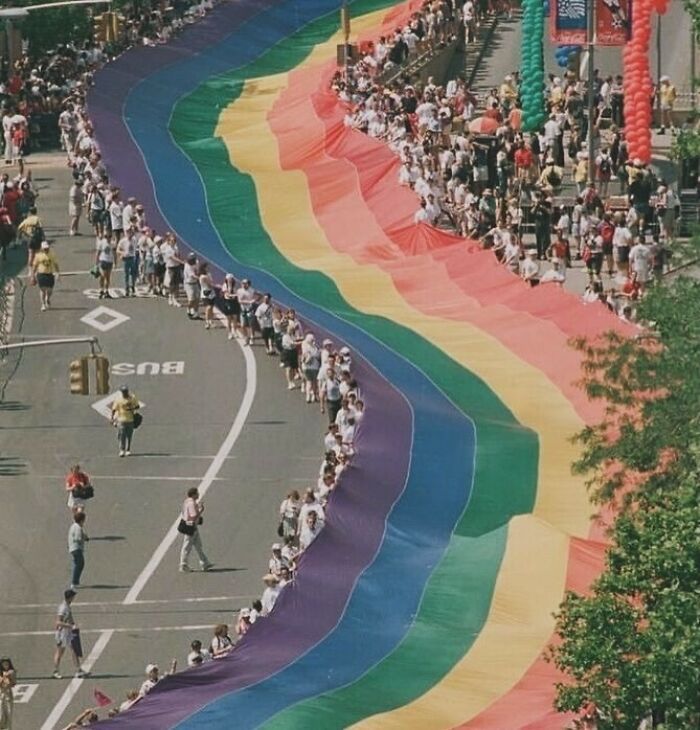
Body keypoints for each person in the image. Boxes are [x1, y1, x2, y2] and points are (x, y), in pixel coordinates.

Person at [53, 589, 88, 679]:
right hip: (62, 633)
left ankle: (78, 670)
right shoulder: (63, 608)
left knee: (74, 650)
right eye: (73, 597)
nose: (74, 598)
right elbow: (58, 622)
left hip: (68, 632)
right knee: (60, 652)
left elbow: (69, 618)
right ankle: (56, 671)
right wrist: (71, 626)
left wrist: (74, 625)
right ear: (70, 597)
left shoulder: (67, 606)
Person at [179, 487, 213, 572]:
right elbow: (193, 516)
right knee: (187, 546)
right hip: (191, 527)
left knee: (198, 545)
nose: (198, 495)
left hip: (191, 526)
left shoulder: (187, 501)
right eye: (197, 493)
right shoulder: (191, 503)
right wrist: (200, 510)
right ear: (194, 494)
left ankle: (205, 562)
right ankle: (183, 564)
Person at [110, 385, 140, 457]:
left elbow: (137, 406)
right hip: (121, 420)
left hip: (130, 419)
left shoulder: (132, 398)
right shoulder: (118, 399)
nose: (125, 393)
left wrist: (132, 407)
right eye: (123, 392)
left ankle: (128, 449)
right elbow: (114, 409)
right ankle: (122, 450)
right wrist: (112, 418)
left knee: (129, 436)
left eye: (126, 392)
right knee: (121, 435)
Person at [31, 241, 60, 312]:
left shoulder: (52, 254)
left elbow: (56, 264)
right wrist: (33, 276)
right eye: (44, 248)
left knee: (50, 290)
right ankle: (43, 304)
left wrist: (58, 273)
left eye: (47, 248)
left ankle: (48, 298)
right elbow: (34, 266)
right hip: (41, 274)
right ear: (42, 248)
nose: (46, 249)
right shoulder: (38, 255)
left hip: (50, 274)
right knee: (42, 290)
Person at [68, 511, 88, 590]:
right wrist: (83, 538)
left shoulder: (74, 526)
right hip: (76, 548)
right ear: (82, 520)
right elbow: (78, 538)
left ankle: (75, 581)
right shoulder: (78, 528)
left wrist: (85, 537)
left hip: (73, 548)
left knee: (78, 564)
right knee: (80, 564)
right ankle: (74, 582)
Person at [95, 234, 114, 299]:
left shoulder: (112, 243)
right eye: (106, 237)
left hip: (110, 261)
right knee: (103, 276)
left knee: (108, 277)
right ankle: (101, 289)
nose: (108, 238)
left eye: (109, 236)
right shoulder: (102, 242)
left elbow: (114, 253)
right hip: (103, 260)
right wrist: (96, 263)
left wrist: (115, 262)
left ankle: (106, 290)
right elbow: (98, 253)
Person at [0, 657, 16, 730]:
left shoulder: (11, 672)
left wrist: (11, 676)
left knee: (9, 713)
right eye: (4, 664)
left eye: (7, 664)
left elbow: (13, 684)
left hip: (8, 695)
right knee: (1, 715)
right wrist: (3, 677)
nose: (6, 666)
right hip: (1, 694)